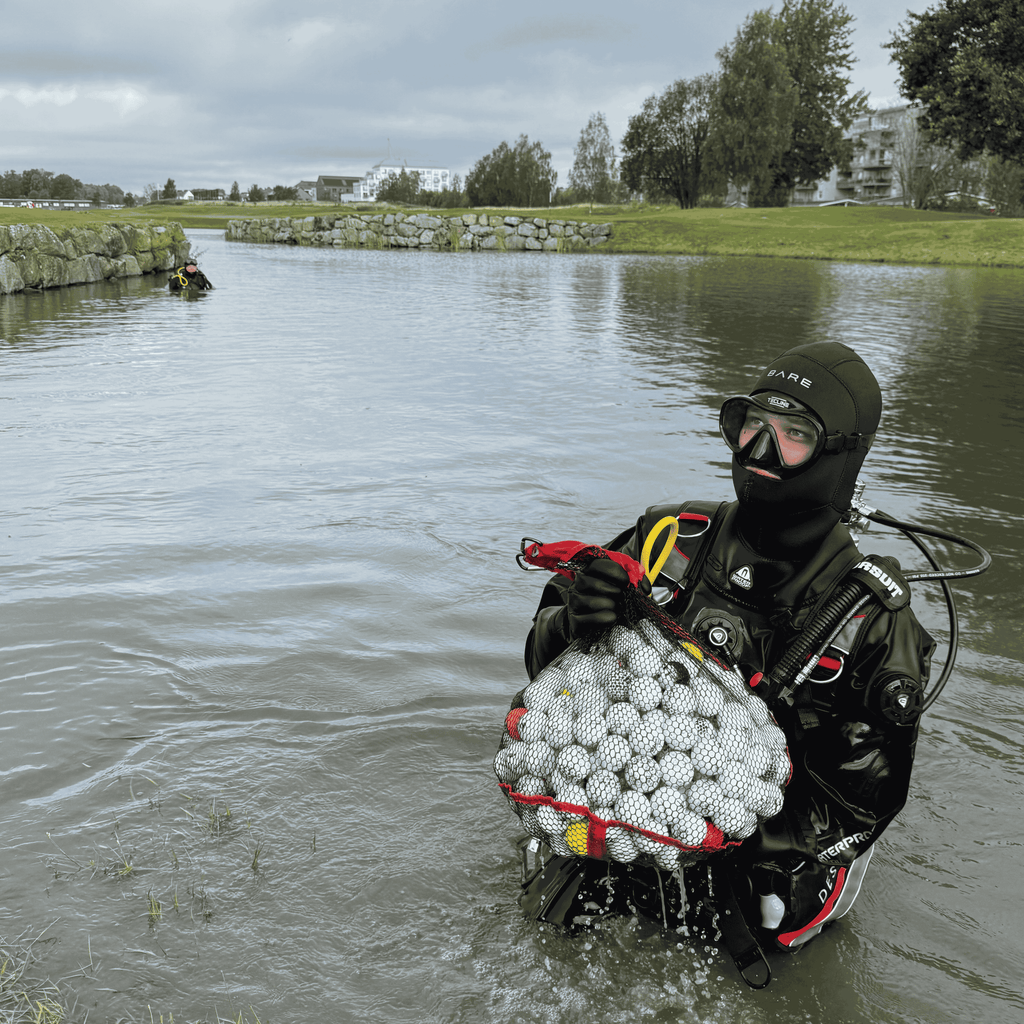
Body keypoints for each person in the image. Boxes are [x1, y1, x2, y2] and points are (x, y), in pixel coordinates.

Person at [520, 341, 936, 971]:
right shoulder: (666, 540)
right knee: (547, 916)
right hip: (640, 803)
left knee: (765, 938)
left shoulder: (872, 619)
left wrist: (718, 835)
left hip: (769, 847)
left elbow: (862, 803)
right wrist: (573, 625)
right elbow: (544, 678)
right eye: (752, 425)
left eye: (795, 435)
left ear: (841, 456)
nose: (760, 452)